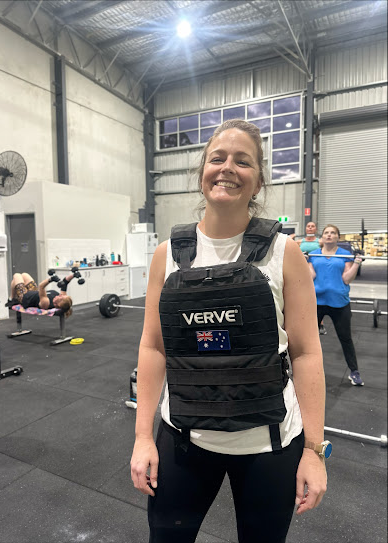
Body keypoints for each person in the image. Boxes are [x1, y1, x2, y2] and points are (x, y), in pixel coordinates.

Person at [130, 119, 328, 543]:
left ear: (258, 181)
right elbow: (153, 347)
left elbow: (307, 353)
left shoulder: (284, 252)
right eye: (217, 158)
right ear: (202, 170)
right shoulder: (167, 254)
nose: (227, 168)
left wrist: (314, 451)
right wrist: (143, 437)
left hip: (269, 444)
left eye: (243, 161)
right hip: (184, 437)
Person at [308, 224, 364, 386]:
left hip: (339, 303)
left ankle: (354, 372)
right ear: (322, 237)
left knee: (346, 338)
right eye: (326, 232)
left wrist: (356, 263)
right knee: (309, 339)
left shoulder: (345, 255)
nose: (329, 235)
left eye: (333, 233)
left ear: (338, 237)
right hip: (316, 302)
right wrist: (304, 262)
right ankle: (304, 370)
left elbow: (346, 279)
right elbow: (311, 276)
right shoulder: (313, 254)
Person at [292, 222, 327, 335]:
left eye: (312, 226)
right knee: (302, 295)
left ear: (315, 229)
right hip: (303, 270)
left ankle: (320, 323)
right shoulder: (299, 242)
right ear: (305, 228)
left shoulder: (320, 242)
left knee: (316, 296)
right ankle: (303, 320)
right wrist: (290, 237)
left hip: (317, 271)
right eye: (308, 226)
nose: (310, 228)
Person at [9, 272, 73, 317]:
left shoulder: (46, 303)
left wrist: (50, 279)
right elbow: (65, 282)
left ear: (58, 304)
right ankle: (12, 298)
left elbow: (41, 286)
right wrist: (74, 275)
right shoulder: (60, 298)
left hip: (25, 297)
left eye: (61, 297)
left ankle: (12, 299)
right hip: (33, 292)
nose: (60, 295)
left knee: (17, 275)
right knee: (24, 275)